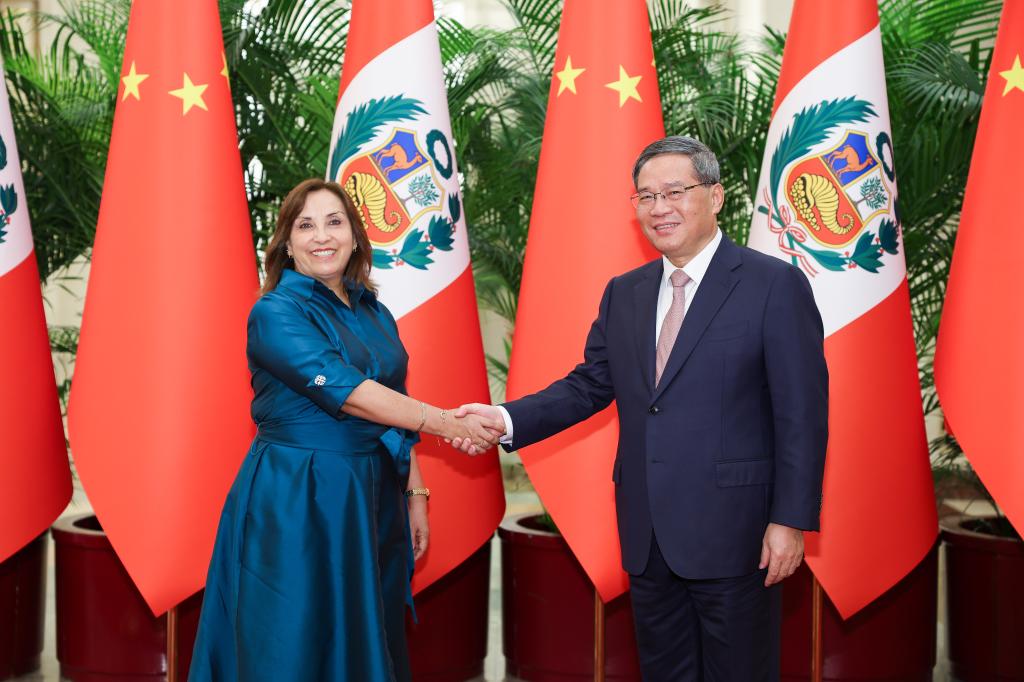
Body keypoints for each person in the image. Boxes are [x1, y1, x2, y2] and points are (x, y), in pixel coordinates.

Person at [454, 136, 828, 681]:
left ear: (716, 196)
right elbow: (589, 386)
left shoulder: (773, 285)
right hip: (649, 533)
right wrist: (505, 419)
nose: (659, 208)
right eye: (646, 196)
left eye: (675, 191)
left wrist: (789, 520)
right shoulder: (624, 292)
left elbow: (803, 414)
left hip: (739, 535)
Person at [189, 178, 500, 682]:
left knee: (366, 634)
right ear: (286, 243)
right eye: (305, 225)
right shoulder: (275, 313)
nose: (321, 236)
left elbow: (392, 401)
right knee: (294, 639)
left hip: (371, 495)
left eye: (334, 222)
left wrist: (415, 491)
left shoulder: (375, 311)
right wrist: (448, 423)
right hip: (300, 496)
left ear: (355, 235)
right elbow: (351, 392)